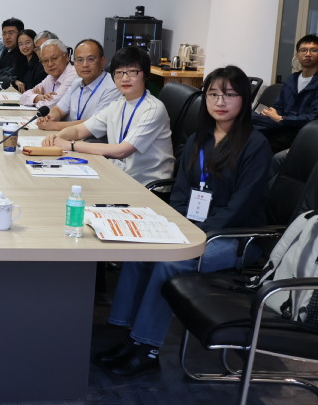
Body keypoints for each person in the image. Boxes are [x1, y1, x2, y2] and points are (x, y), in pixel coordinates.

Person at [95, 65, 272, 377]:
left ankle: (148, 347)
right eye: (213, 94)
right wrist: (177, 224)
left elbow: (241, 206)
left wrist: (197, 234)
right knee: (140, 251)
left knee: (170, 262)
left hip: (235, 237)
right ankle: (126, 333)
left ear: (244, 100)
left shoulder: (255, 145)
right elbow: (180, 192)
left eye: (229, 95)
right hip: (192, 228)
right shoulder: (197, 140)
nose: (220, 102)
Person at [47, 46, 174, 185]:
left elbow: (121, 151)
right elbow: (79, 130)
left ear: (145, 74)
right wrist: (56, 138)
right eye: (119, 73)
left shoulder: (153, 108)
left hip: (146, 185)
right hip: (118, 176)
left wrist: (71, 145)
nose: (124, 78)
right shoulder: (117, 104)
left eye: (132, 72)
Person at [252, 33, 318, 152]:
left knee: (256, 139)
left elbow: (313, 117)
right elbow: (279, 105)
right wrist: (271, 112)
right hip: (281, 124)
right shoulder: (292, 79)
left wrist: (281, 118)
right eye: (303, 50)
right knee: (244, 123)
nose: (308, 54)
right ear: (297, 55)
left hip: (302, 131)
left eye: (313, 50)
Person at [37, 39, 119, 130]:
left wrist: (54, 125)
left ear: (102, 60)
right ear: (74, 62)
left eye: (91, 59)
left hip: (91, 138)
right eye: (79, 60)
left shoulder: (113, 86)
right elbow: (59, 109)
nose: (85, 65)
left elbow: (95, 123)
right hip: (70, 135)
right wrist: (48, 118)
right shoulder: (76, 83)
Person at [19, 38, 77, 107]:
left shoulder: (73, 75)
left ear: (66, 56)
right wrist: (38, 97)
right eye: (45, 60)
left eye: (54, 58)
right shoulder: (51, 76)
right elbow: (23, 97)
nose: (50, 64)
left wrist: (36, 102)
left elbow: (51, 105)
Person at [12, 29, 45, 93]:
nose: (24, 47)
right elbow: (8, 75)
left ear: (34, 43)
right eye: (21, 44)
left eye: (28, 43)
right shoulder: (21, 60)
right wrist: (15, 81)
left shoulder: (40, 63)